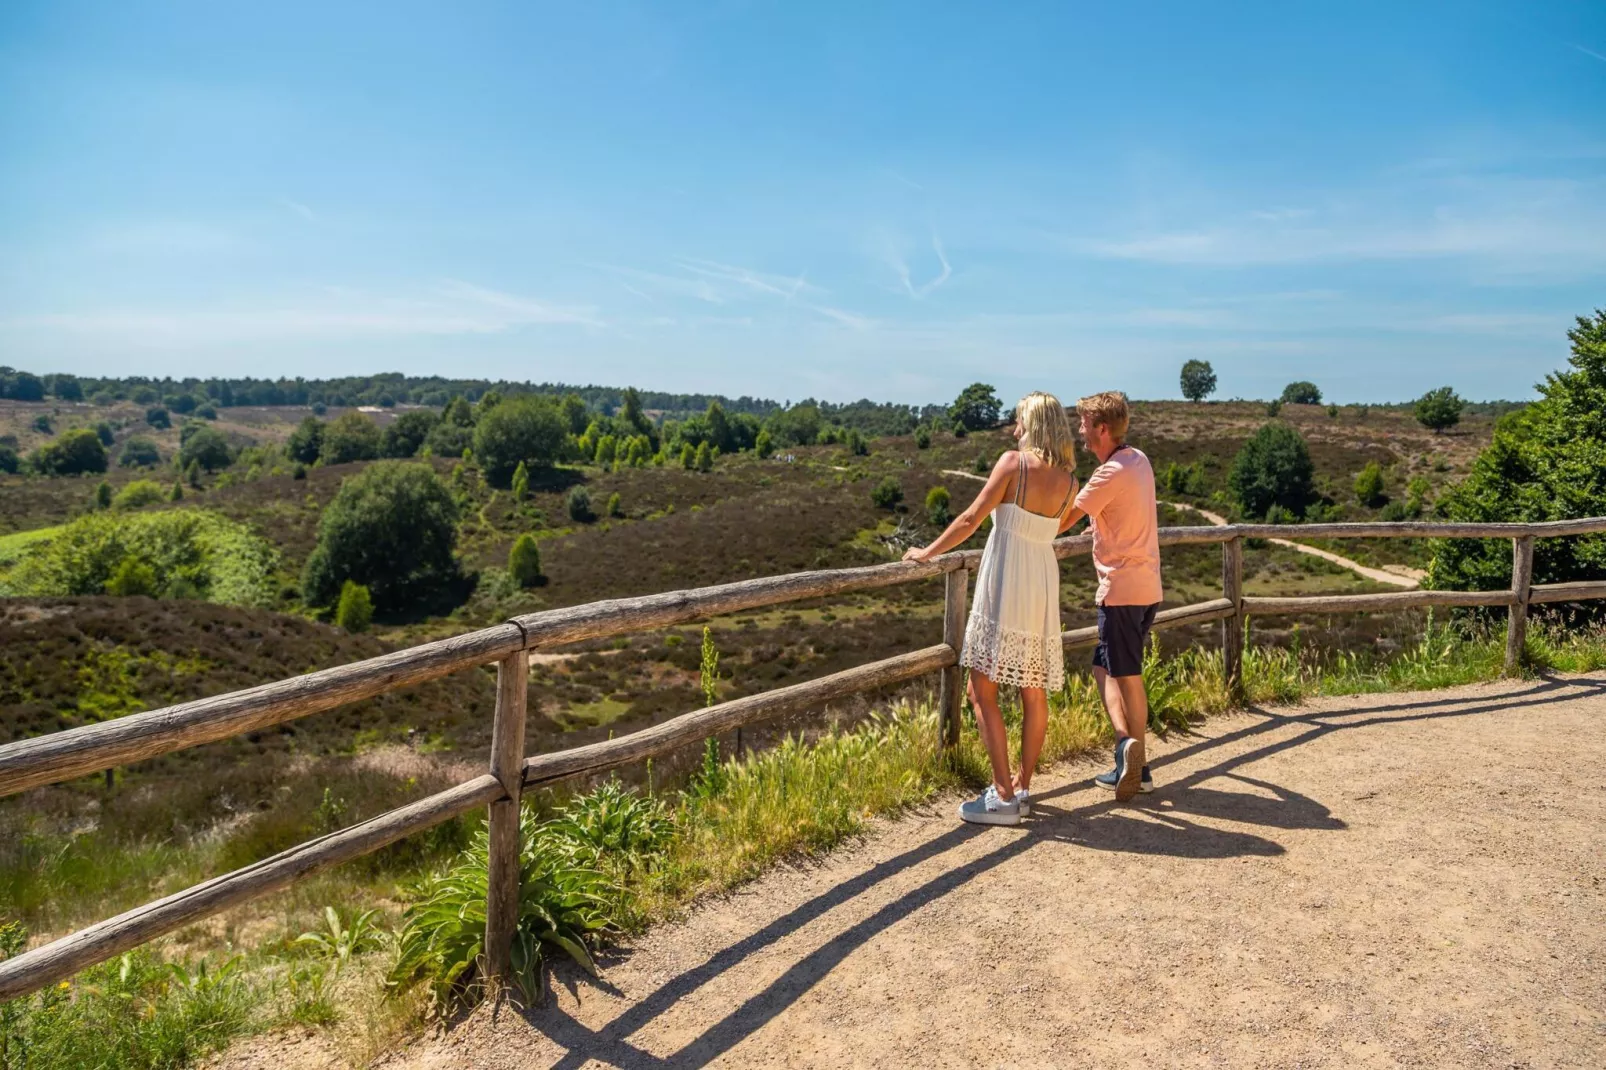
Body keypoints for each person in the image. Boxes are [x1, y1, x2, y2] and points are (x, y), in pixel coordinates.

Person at [903, 392, 1080, 825]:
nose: (1014, 430)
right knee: (1032, 692)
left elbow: (970, 519)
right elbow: (1059, 527)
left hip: (1005, 580)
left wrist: (927, 552)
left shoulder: (1013, 464)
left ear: (1033, 425)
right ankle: (1021, 787)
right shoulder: (1070, 481)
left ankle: (1002, 797)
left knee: (980, 691)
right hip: (1039, 581)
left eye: (1019, 422)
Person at [1058, 391, 1163, 801]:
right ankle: (1127, 752)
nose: (1080, 432)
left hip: (1120, 590)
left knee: (1127, 676)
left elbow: (1066, 517)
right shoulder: (1138, 460)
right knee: (1104, 666)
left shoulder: (1107, 473)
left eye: (1084, 424)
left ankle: (1139, 765)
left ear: (1102, 428)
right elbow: (1121, 513)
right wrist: (1100, 528)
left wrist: (1026, 535)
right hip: (1147, 586)